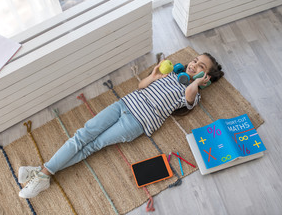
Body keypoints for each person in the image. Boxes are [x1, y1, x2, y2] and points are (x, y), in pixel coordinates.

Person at [18, 53, 224, 198]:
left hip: (136, 122)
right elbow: (141, 86)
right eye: (195, 61)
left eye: (200, 67)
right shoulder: (172, 74)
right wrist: (153, 76)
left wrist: (196, 83)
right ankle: (43, 173)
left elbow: (188, 98)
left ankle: (43, 174)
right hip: (123, 104)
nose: (193, 65)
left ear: (205, 77)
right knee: (82, 135)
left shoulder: (193, 94)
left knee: (92, 145)